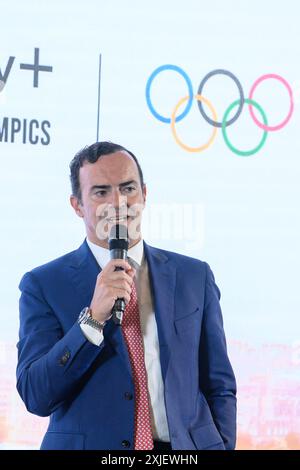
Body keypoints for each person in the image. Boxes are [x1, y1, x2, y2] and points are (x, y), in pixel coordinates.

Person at [16, 141, 237, 451]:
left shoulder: (194, 276)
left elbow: (219, 385)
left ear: (144, 194)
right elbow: (35, 394)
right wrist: (91, 320)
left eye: (128, 188)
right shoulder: (43, 284)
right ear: (77, 205)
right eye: (101, 192)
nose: (119, 202)